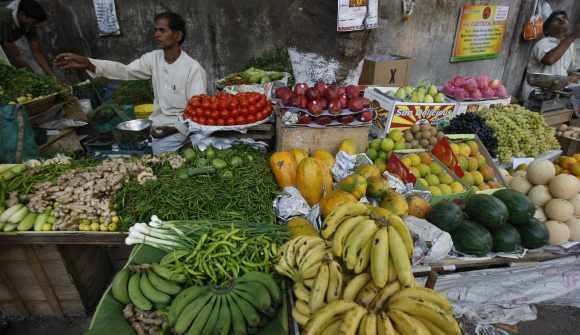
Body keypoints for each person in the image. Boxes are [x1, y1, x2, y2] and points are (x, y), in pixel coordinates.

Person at [54, 12, 207, 154]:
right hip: (156, 123)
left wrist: (173, 129)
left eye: (162, 30)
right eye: (156, 30)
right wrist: (89, 63)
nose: (156, 34)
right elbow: (125, 71)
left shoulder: (193, 69)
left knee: (160, 152)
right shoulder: (153, 58)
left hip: (179, 126)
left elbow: (198, 112)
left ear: (177, 35)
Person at [522, 10, 579, 102]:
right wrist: (573, 36)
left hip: (556, 94)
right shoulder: (543, 43)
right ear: (547, 30)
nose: (562, 20)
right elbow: (549, 60)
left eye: (565, 18)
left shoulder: (569, 46)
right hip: (536, 93)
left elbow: (572, 70)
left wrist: (573, 77)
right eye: (557, 19)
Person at [0, 0, 53, 75]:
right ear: (22, 15)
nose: (36, 25)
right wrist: (35, 77)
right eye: (34, 22)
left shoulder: (29, 25)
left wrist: (53, 76)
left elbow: (37, 52)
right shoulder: (5, 21)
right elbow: (16, 56)